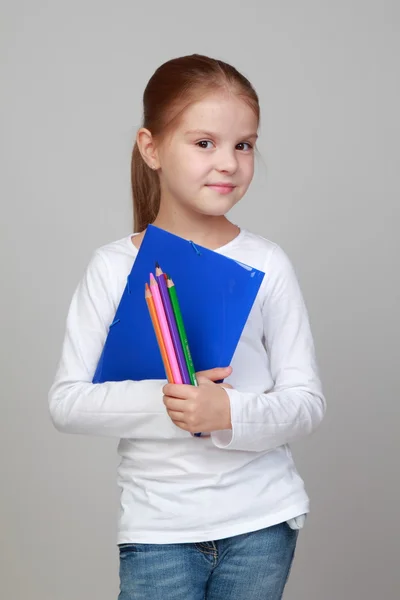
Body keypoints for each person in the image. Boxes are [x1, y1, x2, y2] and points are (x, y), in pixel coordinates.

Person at [48, 53, 326, 600]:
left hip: (262, 522)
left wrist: (229, 413)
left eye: (243, 144)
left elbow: (306, 401)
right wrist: (173, 402)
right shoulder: (112, 267)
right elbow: (68, 402)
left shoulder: (268, 262)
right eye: (204, 143)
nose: (228, 162)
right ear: (151, 147)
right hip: (160, 530)